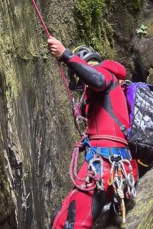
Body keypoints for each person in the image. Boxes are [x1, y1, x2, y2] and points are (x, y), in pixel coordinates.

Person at [47, 37, 138, 229]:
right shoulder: (108, 93)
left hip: (105, 163)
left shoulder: (105, 72)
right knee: (60, 218)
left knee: (74, 224)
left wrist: (65, 54)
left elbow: (96, 79)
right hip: (107, 162)